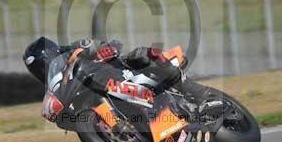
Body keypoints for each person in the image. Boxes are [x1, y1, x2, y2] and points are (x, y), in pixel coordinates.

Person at [23, 36, 209, 107]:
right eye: (37, 70)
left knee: (141, 55)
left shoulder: (72, 51)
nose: (43, 71)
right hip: (100, 93)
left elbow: (104, 43)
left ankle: (189, 87)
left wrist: (104, 48)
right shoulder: (56, 89)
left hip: (117, 72)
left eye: (43, 65)